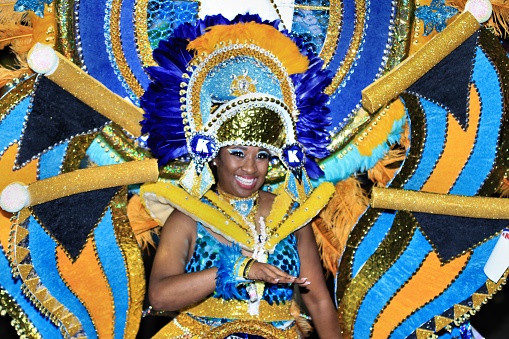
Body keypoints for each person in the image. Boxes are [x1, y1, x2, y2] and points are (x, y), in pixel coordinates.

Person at [139, 14, 343, 338]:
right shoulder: (189, 217)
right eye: (237, 153)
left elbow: (317, 300)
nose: (250, 167)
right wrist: (238, 269)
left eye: (262, 155)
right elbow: (160, 294)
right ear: (214, 155)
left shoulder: (290, 215)